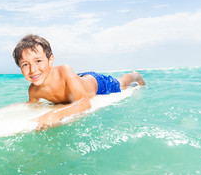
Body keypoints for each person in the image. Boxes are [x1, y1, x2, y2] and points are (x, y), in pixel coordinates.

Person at [13, 34, 146, 130]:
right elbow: (33, 107)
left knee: (121, 83)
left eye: (38, 61)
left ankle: (135, 75)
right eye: (25, 64)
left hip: (96, 83)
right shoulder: (33, 90)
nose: (33, 70)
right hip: (77, 79)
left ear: (51, 60)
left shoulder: (65, 70)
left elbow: (84, 102)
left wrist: (55, 114)